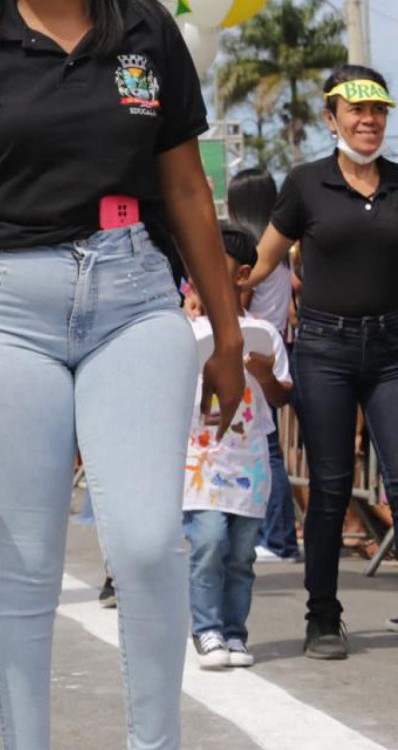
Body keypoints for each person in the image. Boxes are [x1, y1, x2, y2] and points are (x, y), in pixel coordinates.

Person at [0, 1, 247, 747]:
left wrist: (225, 336)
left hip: (135, 295)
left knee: (149, 545)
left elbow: (187, 189)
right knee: (25, 566)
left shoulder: (147, 29)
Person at [247, 64, 398, 659]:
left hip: (393, 351)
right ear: (331, 118)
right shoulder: (306, 184)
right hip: (325, 350)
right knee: (331, 487)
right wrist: (213, 292)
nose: (369, 121)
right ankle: (323, 618)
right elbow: (263, 262)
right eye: (357, 111)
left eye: (379, 111)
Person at [183, 226, 291, 670]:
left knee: (243, 553)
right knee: (208, 542)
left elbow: (283, 396)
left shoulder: (263, 332)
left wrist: (264, 374)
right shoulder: (185, 332)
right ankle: (206, 629)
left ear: (242, 275)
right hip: (201, 462)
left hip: (249, 463)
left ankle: (235, 632)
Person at [226, 169, 301, 565]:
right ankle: (277, 536)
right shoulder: (282, 251)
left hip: (252, 351)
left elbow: (241, 301)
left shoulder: (250, 251)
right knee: (269, 446)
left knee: (264, 449)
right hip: (278, 345)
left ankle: (279, 539)